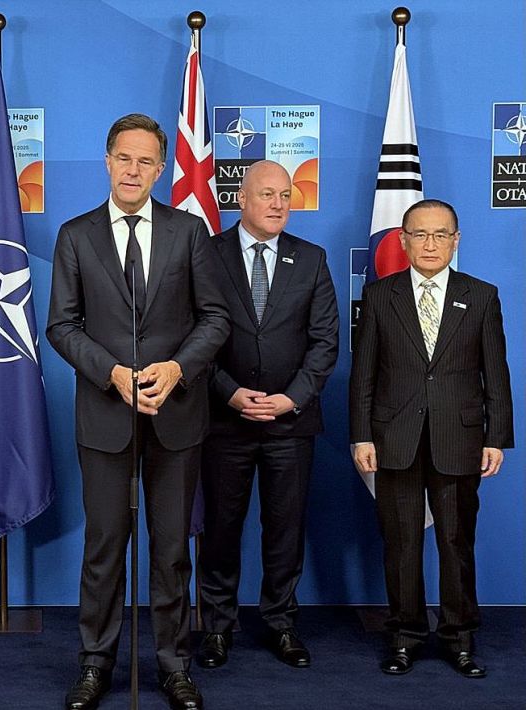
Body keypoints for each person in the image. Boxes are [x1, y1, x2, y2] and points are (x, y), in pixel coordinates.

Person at [47, 113, 229, 710]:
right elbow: (61, 326)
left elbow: (215, 318)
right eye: (124, 158)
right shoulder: (75, 235)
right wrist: (112, 374)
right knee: (104, 548)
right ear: (107, 162)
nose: (133, 169)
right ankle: (96, 663)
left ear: (160, 169)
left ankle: (174, 664)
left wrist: (177, 368)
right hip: (105, 414)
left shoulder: (189, 232)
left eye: (145, 161)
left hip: (177, 414)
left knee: (171, 550)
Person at [350, 199, 513, 679]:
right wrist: (361, 435)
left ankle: (460, 638)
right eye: (420, 234)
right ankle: (405, 636)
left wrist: (496, 437)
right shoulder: (379, 296)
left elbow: (495, 373)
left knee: (456, 542)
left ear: (456, 241)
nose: (430, 244)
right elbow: (363, 375)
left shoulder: (481, 296)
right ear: (402, 240)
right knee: (401, 545)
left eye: (441, 234)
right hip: (394, 439)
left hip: (458, 438)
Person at [196, 160, 339, 670]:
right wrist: (230, 393)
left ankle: (281, 622)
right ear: (241, 198)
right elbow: (191, 337)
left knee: (285, 527)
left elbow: (325, 341)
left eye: (285, 195)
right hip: (223, 420)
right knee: (221, 528)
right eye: (267, 194)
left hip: (290, 422)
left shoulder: (312, 259)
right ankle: (217, 626)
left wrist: (291, 398)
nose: (278, 204)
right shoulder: (206, 254)